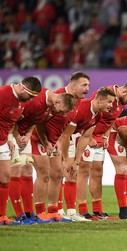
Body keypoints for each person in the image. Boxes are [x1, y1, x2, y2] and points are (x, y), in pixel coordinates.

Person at [76, 82, 127, 220]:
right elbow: (91, 115)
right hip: (87, 136)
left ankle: (97, 210)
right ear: (124, 92)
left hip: (100, 138)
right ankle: (82, 210)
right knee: (84, 171)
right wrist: (88, 137)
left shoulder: (121, 102)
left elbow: (112, 120)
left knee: (98, 172)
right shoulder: (105, 94)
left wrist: (105, 136)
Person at [9, 88, 76, 224]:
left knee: (56, 174)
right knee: (41, 173)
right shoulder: (40, 101)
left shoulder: (50, 104)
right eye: (61, 111)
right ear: (57, 101)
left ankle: (51, 211)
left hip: (33, 138)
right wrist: (14, 136)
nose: (60, 114)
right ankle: (37, 212)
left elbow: (38, 123)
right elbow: (16, 117)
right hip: (24, 138)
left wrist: (50, 142)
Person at [32, 71, 90, 222]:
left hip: (54, 142)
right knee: (44, 175)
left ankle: (54, 211)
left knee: (57, 174)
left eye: (88, 85)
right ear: (73, 85)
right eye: (84, 85)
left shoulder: (77, 102)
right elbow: (40, 121)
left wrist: (56, 142)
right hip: (40, 140)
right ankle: (38, 212)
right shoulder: (58, 98)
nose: (87, 89)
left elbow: (64, 128)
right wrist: (47, 142)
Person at [59, 87, 116, 221]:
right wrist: (66, 158)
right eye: (109, 102)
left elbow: (85, 137)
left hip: (72, 137)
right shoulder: (83, 108)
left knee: (72, 174)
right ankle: (57, 210)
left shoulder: (99, 115)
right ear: (99, 100)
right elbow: (66, 134)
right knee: (58, 174)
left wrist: (76, 162)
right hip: (59, 136)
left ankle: (72, 213)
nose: (111, 106)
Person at [0, 76, 42, 225]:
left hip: (4, 142)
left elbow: (12, 122)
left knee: (5, 178)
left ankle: (2, 216)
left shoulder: (22, 102)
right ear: (23, 88)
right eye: (30, 95)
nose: (30, 99)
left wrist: (10, 139)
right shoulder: (4, 93)